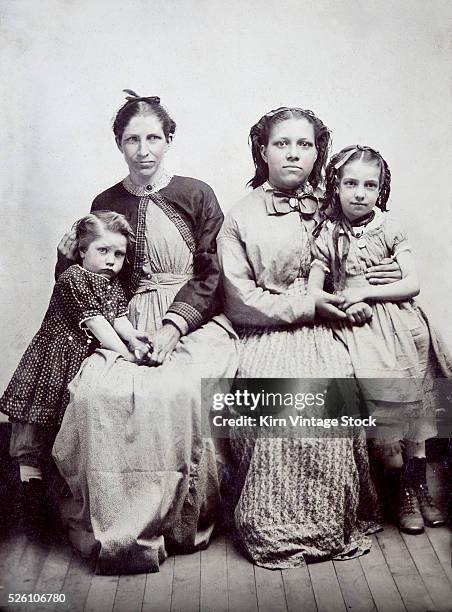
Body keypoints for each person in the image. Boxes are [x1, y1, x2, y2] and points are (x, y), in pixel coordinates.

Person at [52, 91, 238, 573]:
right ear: (119, 144)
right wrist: (65, 252)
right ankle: (118, 526)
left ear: (169, 139)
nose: (144, 149)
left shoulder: (196, 193)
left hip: (193, 319)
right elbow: (85, 275)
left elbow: (213, 273)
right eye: (132, 139)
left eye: (154, 137)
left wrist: (174, 326)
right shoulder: (106, 201)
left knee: (176, 390)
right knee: (98, 392)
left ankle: (180, 522)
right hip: (124, 319)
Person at [217, 107, 402, 569]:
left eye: (305, 144)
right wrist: (305, 304)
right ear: (263, 151)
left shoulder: (338, 201)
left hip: (334, 324)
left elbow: (375, 246)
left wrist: (378, 278)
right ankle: (275, 520)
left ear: (319, 153)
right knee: (280, 403)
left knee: (334, 389)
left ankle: (337, 514)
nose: (294, 153)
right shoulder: (241, 217)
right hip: (267, 330)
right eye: (282, 144)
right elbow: (240, 300)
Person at [308, 145, 446, 534]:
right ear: (335, 187)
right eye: (350, 183)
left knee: (416, 413)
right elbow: (314, 290)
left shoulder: (389, 228)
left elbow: (411, 283)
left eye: (370, 185)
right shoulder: (328, 236)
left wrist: (364, 291)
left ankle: (421, 488)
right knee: (384, 413)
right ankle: (400, 494)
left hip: (404, 328)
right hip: (363, 332)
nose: (359, 193)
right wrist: (343, 302)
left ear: (381, 189)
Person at [0, 211, 143, 538]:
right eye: (102, 251)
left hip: (79, 359)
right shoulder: (73, 279)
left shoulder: (111, 284)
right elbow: (96, 323)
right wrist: (126, 355)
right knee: (34, 428)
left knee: (64, 429)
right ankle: (29, 499)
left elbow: (119, 320)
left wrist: (136, 339)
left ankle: (58, 505)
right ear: (81, 251)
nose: (111, 260)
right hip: (53, 358)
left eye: (118, 254)